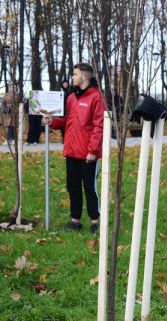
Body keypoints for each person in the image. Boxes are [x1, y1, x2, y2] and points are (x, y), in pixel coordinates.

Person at [42, 63, 105, 233]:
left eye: (74, 74)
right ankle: (75, 221)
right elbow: (66, 122)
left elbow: (99, 126)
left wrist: (92, 150)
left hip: (87, 155)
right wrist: (52, 122)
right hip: (71, 152)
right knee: (73, 187)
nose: (72, 77)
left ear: (84, 76)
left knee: (90, 188)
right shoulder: (71, 98)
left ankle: (95, 221)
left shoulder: (96, 98)